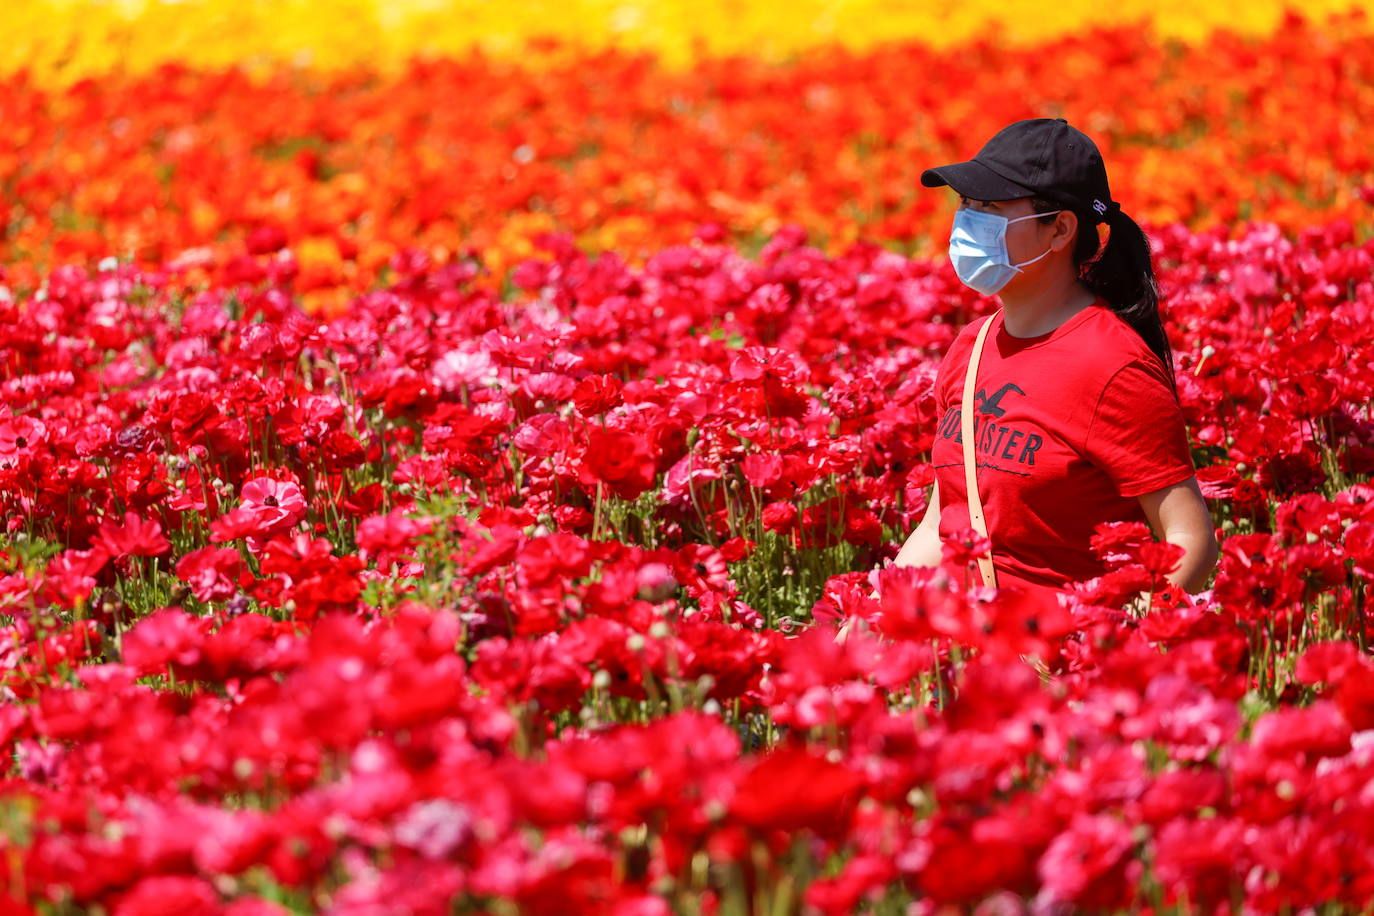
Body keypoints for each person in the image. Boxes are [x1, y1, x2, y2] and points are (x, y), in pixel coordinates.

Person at [894, 117, 1219, 609]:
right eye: (966, 204)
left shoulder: (1112, 366)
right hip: (962, 655)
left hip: (1059, 666)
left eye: (990, 207)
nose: (966, 221)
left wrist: (1111, 656)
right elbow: (943, 523)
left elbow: (1190, 539)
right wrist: (870, 619)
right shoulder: (972, 345)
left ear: (1060, 229)